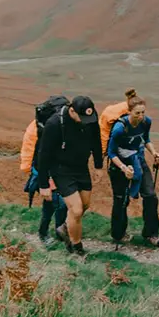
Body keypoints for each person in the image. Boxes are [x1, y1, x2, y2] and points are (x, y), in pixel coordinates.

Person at [37, 96, 103, 255]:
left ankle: (65, 228)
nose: (85, 121)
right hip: (61, 169)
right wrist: (43, 184)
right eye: (82, 118)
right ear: (72, 110)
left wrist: (98, 165)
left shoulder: (90, 118)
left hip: (81, 167)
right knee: (77, 210)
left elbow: (96, 141)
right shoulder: (54, 124)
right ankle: (76, 247)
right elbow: (43, 154)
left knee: (85, 204)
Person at [107, 91, 159, 247]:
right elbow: (111, 153)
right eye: (137, 113)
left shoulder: (146, 122)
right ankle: (118, 234)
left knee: (151, 196)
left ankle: (151, 234)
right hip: (119, 165)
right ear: (129, 112)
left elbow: (145, 139)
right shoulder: (120, 128)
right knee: (121, 201)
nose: (141, 116)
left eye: (143, 112)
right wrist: (124, 168)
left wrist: (154, 153)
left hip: (138, 160)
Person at [22, 118, 68, 248]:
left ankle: (58, 232)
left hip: (57, 178)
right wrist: (47, 183)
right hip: (47, 179)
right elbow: (41, 163)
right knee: (52, 207)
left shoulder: (52, 137)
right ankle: (44, 233)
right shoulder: (46, 142)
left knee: (60, 205)